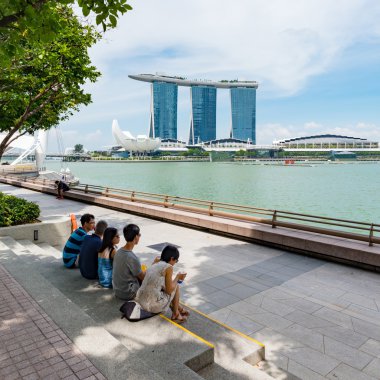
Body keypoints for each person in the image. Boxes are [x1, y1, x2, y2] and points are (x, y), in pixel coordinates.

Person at [135, 245, 188, 323]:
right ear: (172, 258)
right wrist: (177, 277)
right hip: (151, 306)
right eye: (176, 260)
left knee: (169, 286)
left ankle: (178, 309)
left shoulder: (155, 264)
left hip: (140, 301)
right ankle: (176, 314)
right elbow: (169, 291)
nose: (175, 263)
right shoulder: (168, 267)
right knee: (176, 286)